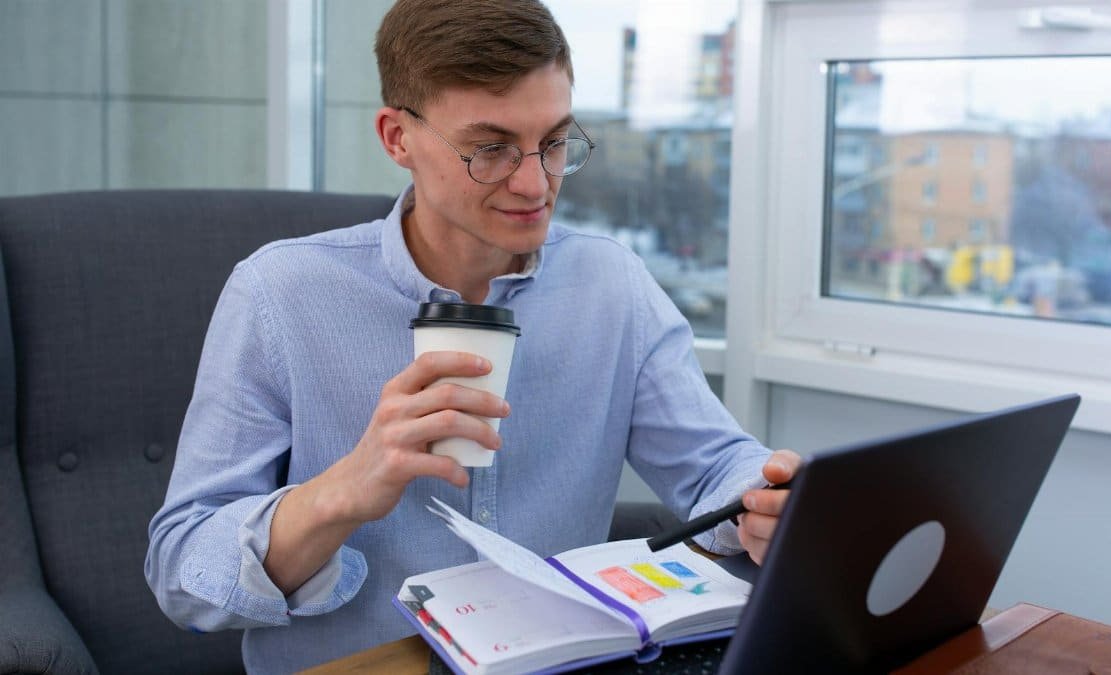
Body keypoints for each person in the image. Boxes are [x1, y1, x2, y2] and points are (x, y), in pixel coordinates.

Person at [145, 1, 800, 672]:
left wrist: (772, 497)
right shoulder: (278, 294)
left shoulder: (611, 285)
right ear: (398, 138)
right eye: (490, 148)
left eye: (554, 141)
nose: (533, 182)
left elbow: (718, 467)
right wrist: (341, 491)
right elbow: (181, 573)